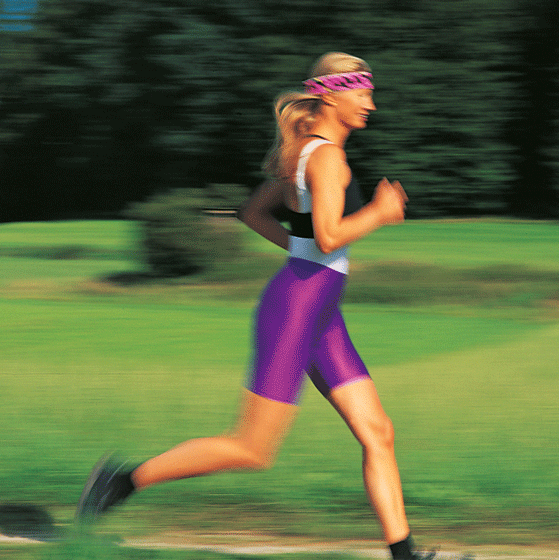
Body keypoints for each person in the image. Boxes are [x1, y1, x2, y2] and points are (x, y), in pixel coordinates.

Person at [76, 52, 468, 560]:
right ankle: (120, 481)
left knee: (378, 431)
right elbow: (328, 236)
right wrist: (378, 212)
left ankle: (405, 554)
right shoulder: (327, 158)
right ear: (331, 95)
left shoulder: (301, 153)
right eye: (362, 91)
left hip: (318, 308)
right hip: (297, 311)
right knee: (252, 449)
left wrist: (299, 254)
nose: (371, 103)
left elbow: (251, 212)